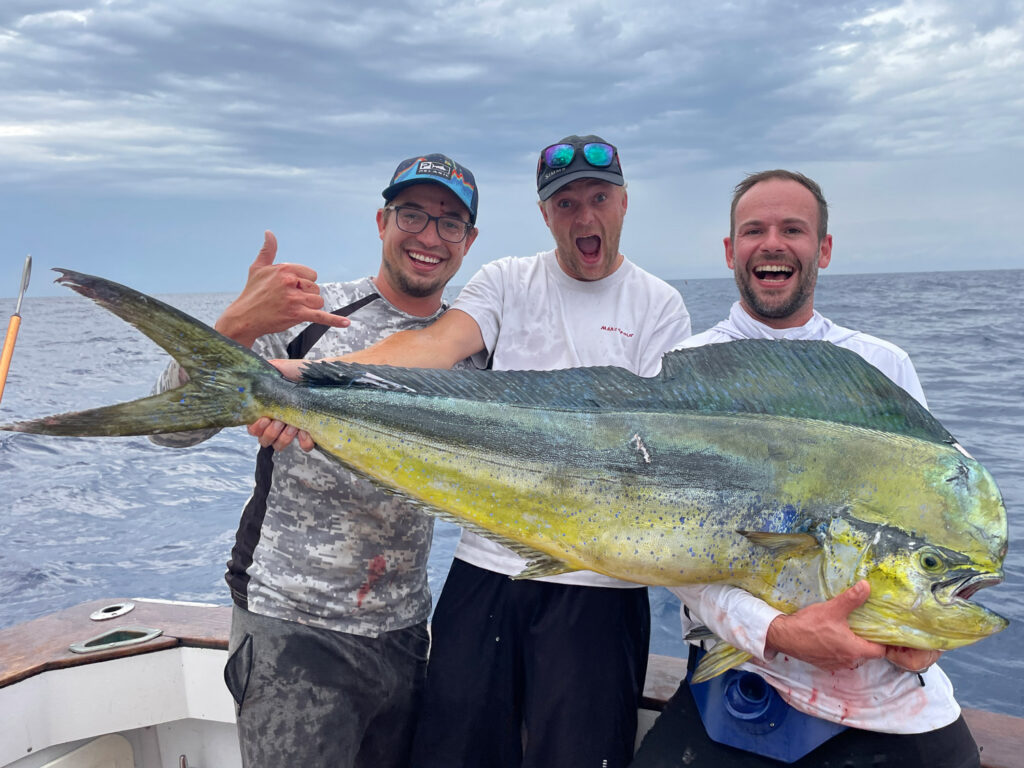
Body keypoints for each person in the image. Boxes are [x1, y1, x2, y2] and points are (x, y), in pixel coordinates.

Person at [262, 134, 692, 768]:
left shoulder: (661, 306)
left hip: (601, 584)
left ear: (624, 202)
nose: (584, 216)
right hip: (487, 571)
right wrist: (298, 380)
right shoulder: (506, 280)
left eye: (599, 198)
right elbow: (431, 352)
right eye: (566, 204)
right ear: (546, 214)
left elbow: (667, 448)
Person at [630, 170, 980, 768]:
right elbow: (668, 546)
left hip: (884, 698)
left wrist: (931, 635)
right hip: (738, 673)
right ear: (730, 250)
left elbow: (945, 535)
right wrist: (775, 632)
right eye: (753, 230)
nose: (772, 243)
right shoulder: (688, 367)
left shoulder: (883, 367)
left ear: (823, 248)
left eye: (793, 229)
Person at [151, 153, 480, 767]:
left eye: (450, 223)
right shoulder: (310, 315)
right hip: (293, 630)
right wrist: (236, 326)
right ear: (382, 221)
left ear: (469, 241)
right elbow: (171, 430)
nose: (429, 237)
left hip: (406, 633)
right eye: (413, 214)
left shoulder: (470, 350)